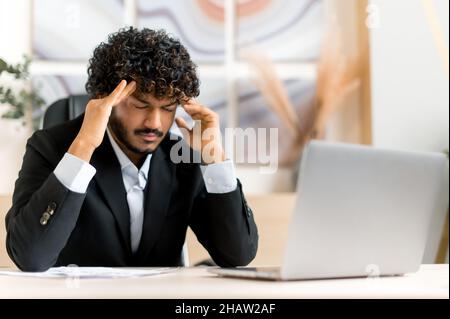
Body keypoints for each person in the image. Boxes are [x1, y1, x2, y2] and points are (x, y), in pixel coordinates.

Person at [5, 27, 258, 271]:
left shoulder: (182, 158)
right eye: (140, 105)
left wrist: (215, 159)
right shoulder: (51, 147)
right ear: (106, 99)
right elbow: (30, 257)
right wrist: (83, 148)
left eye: (168, 108)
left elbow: (237, 254)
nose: (155, 124)